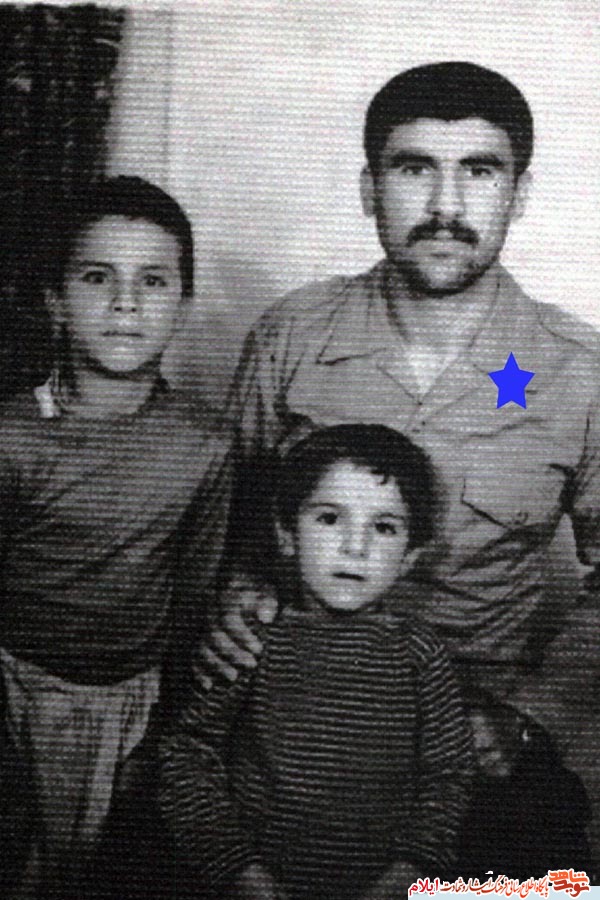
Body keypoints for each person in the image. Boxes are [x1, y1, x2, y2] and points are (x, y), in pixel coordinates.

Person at [210, 61, 600, 871]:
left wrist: (533, 714)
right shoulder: (291, 335)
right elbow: (227, 518)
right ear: (369, 188)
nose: (446, 207)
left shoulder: (579, 371)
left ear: (519, 194)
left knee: (548, 881)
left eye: (479, 172)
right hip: (293, 730)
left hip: (476, 738)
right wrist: (238, 589)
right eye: (414, 168)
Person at [0, 176, 233, 897]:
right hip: (14, 692)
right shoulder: (11, 436)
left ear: (183, 305)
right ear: (55, 301)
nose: (126, 302)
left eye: (153, 281)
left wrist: (162, 724)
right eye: (97, 277)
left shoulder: (206, 442)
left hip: (131, 704)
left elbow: (193, 597)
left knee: (99, 873)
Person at [160, 424, 474, 900]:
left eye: (384, 527)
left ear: (411, 556)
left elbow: (448, 777)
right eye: (329, 518)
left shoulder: (419, 654)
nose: (356, 547)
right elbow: (187, 755)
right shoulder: (253, 638)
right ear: (286, 534)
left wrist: (408, 874)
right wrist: (238, 871)